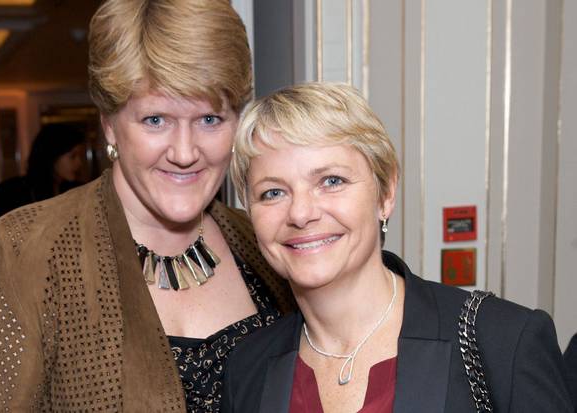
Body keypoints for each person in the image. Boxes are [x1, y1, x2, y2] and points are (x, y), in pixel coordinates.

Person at [0, 1, 294, 412]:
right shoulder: (24, 253)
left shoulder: (264, 240)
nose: (185, 153)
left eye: (209, 119)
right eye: (156, 120)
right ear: (110, 124)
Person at [223, 82, 573, 412]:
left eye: (331, 181)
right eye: (273, 192)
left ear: (386, 194)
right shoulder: (247, 369)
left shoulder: (504, 341)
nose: (301, 213)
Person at [0, 123, 85, 219]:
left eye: (79, 155)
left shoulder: (78, 190)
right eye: (73, 156)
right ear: (52, 156)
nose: (79, 163)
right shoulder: (11, 192)